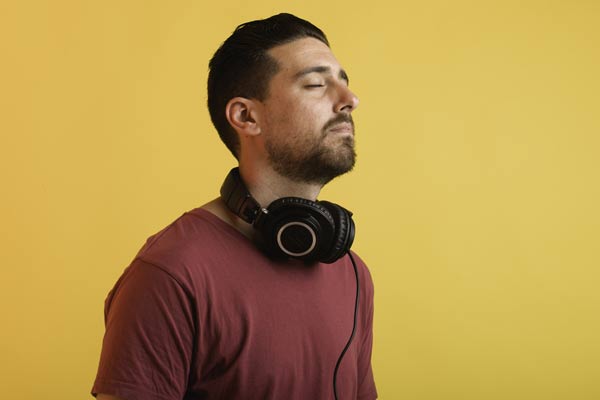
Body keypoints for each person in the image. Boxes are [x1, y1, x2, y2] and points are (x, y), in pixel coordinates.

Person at [92, 13, 377, 400]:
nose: (350, 100)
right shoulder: (170, 274)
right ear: (246, 116)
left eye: (344, 82)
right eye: (315, 84)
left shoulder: (352, 274)